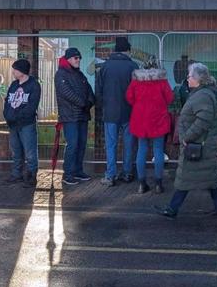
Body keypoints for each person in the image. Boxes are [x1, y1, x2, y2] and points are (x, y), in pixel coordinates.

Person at [156, 63, 217, 219]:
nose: (187, 78)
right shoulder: (202, 93)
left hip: (197, 144)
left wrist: (187, 137)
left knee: (185, 178)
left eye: (189, 76)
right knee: (210, 179)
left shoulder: (203, 95)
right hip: (203, 145)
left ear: (197, 79)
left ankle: (172, 209)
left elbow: (203, 120)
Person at [96, 37, 139, 186]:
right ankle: (127, 173)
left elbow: (99, 90)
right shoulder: (134, 66)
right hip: (130, 112)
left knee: (111, 144)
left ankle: (110, 175)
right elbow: (138, 91)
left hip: (110, 112)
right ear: (127, 50)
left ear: (115, 50)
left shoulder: (105, 66)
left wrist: (103, 105)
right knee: (128, 144)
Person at [126, 60, 174, 194]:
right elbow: (170, 98)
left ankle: (142, 184)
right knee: (158, 150)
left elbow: (129, 97)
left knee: (142, 149)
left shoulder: (136, 81)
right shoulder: (162, 81)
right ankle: (158, 184)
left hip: (140, 118)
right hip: (158, 118)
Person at [55, 48, 95, 186]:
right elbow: (66, 93)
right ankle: (68, 173)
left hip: (82, 115)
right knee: (72, 144)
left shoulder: (79, 75)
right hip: (70, 116)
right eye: (75, 58)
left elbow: (89, 90)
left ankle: (78, 170)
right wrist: (83, 103)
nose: (78, 60)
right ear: (69, 59)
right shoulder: (61, 74)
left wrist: (90, 101)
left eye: (79, 58)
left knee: (82, 144)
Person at [4, 59, 42, 188]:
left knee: (30, 152)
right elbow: (7, 101)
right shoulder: (14, 85)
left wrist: (16, 116)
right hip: (13, 124)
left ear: (21, 71)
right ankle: (17, 174)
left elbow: (32, 106)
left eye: (15, 69)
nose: (13, 71)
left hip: (26, 124)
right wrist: (7, 115)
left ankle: (31, 176)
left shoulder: (34, 85)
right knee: (16, 151)